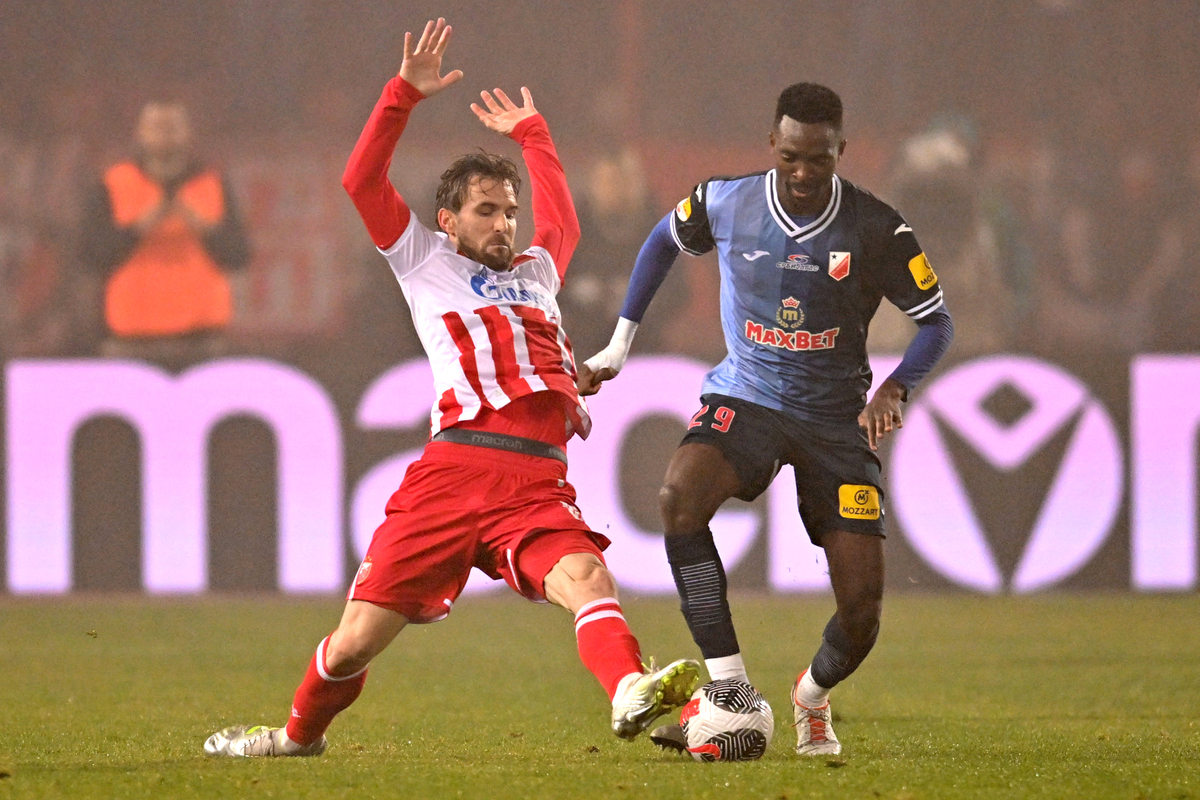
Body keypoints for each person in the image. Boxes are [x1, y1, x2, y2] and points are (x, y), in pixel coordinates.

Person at [203, 19, 698, 759]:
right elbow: (359, 180)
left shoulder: (535, 271)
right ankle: (298, 735)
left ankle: (630, 687)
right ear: (448, 220)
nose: (505, 223)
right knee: (351, 645)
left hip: (534, 479)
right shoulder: (420, 259)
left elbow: (560, 213)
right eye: (486, 211)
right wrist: (402, 95)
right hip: (452, 472)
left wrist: (535, 135)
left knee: (589, 576)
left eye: (508, 210)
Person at [580, 83, 954, 756]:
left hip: (835, 421)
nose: (803, 173)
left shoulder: (877, 228)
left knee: (862, 612)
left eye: (818, 159)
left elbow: (935, 323)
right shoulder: (726, 200)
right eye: (790, 158)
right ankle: (729, 690)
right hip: (747, 396)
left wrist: (897, 388)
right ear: (771, 146)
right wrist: (619, 343)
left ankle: (810, 698)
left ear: (841, 150)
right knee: (677, 498)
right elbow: (661, 242)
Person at [79, 101, 251, 369]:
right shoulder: (114, 183)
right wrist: (137, 229)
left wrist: (202, 227)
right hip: (130, 337)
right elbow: (91, 256)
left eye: (173, 127)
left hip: (201, 336)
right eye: (157, 127)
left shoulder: (213, 183)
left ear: (188, 133)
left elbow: (239, 255)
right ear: (141, 133)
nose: (165, 135)